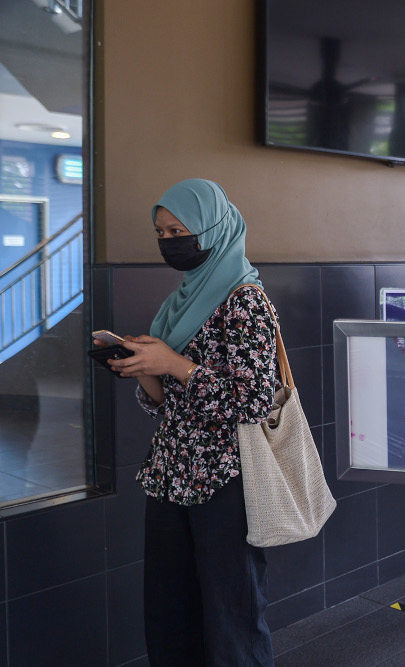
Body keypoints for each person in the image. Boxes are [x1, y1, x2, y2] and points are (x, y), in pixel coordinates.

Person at [105, 179, 278, 664]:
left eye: (178, 230)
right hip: (169, 474)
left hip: (224, 479)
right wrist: (144, 370)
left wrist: (174, 365)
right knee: (169, 615)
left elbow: (252, 400)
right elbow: (167, 406)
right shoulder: (181, 300)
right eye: (160, 232)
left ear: (212, 228)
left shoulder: (245, 301)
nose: (168, 242)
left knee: (232, 619)